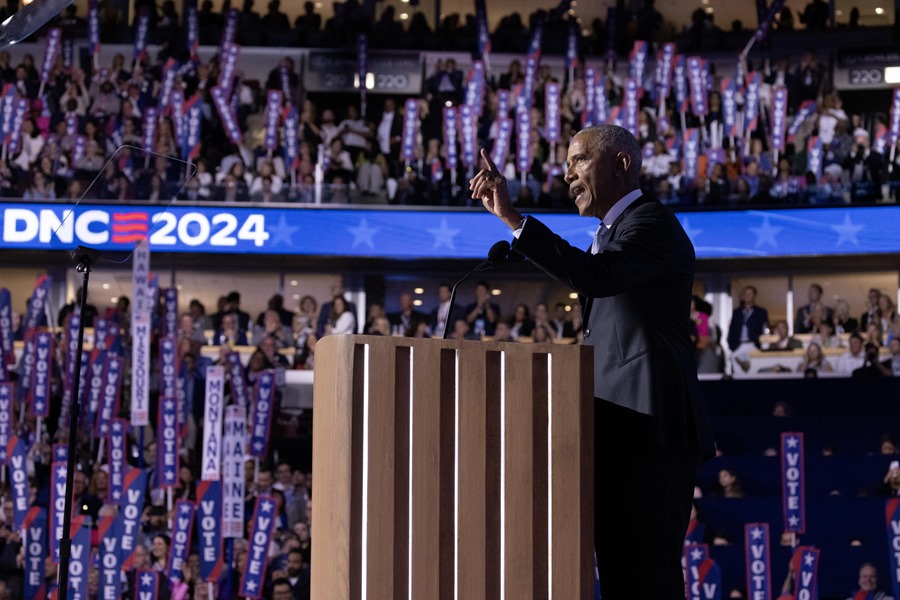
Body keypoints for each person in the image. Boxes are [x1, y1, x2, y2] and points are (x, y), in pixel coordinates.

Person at [470, 124, 714, 598]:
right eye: (567, 164)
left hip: (652, 427)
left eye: (579, 160)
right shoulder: (612, 232)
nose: (567, 175)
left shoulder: (651, 222)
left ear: (621, 163)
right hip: (618, 429)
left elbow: (598, 276)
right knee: (622, 573)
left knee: (647, 574)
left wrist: (515, 221)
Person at [727, 286, 770, 372]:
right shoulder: (737, 312)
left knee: (753, 370)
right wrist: (732, 345)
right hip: (738, 345)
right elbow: (732, 330)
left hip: (753, 344)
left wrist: (762, 344)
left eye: (750, 294)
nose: (747, 296)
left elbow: (765, 329)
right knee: (737, 371)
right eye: (746, 294)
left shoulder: (761, 312)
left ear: (754, 296)